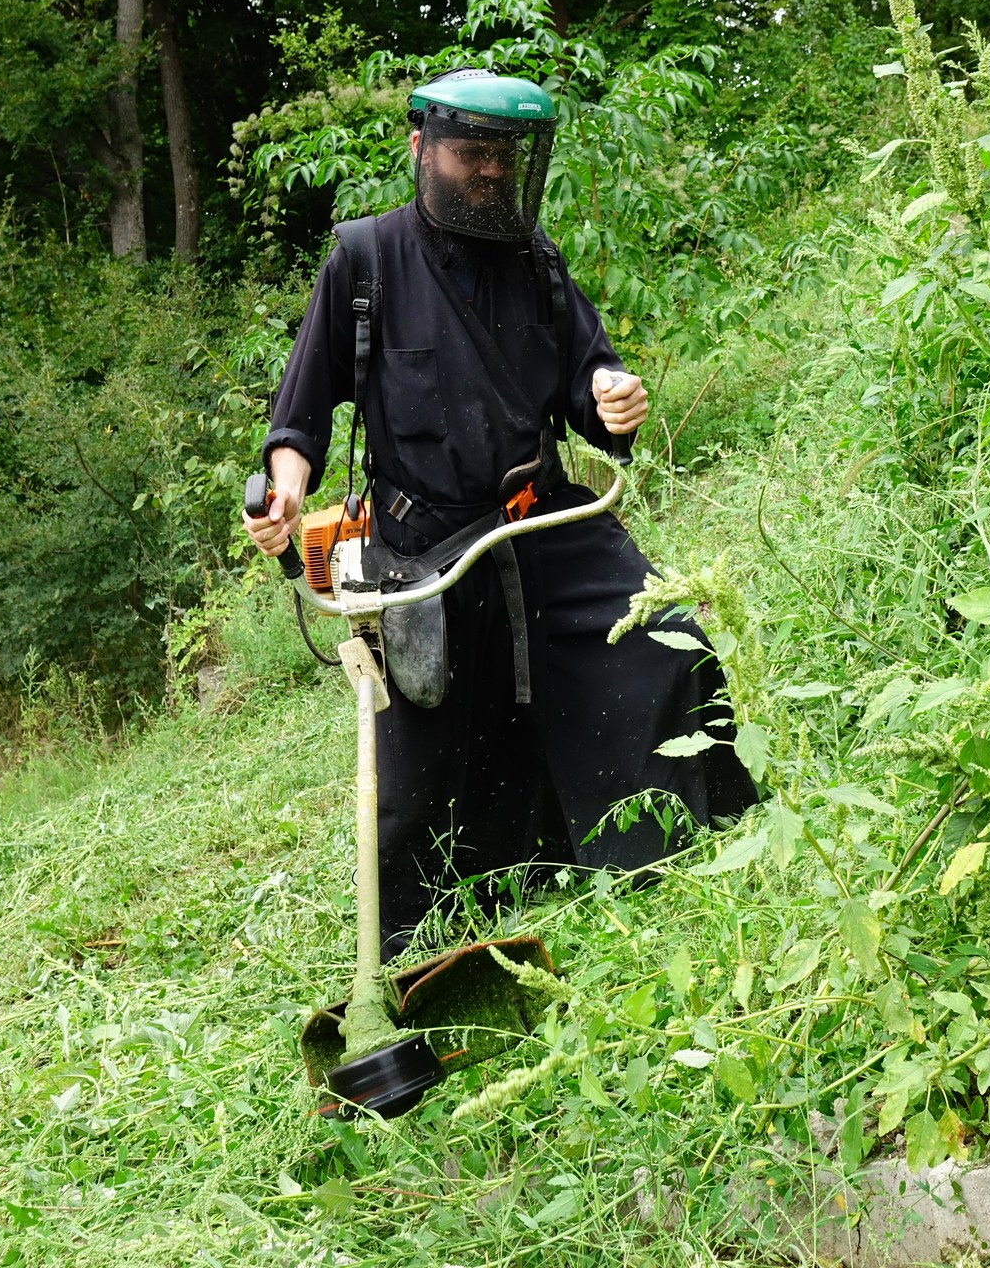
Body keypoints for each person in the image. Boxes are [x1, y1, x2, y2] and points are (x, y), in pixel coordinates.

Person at [244, 67, 756, 957]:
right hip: (428, 547)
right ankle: (423, 950)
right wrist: (284, 486)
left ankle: (674, 854)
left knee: (666, 643)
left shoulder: (537, 260)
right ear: (422, 150)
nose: (489, 172)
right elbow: (299, 414)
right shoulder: (364, 261)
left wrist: (612, 397)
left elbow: (588, 384)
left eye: (503, 156)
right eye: (470, 152)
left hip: (546, 522)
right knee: (423, 767)